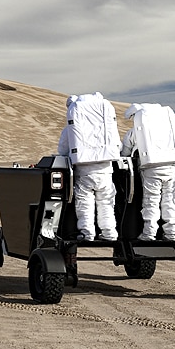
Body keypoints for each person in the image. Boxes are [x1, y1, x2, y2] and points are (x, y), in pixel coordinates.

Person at [58, 92, 121, 241]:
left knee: (85, 204)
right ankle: (109, 232)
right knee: (106, 203)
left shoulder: (72, 128)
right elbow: (118, 145)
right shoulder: (106, 124)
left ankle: (87, 234)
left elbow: (62, 149)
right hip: (106, 171)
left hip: (85, 171)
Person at [121, 103, 175, 241]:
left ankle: (149, 234)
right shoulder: (166, 132)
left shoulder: (135, 132)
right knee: (169, 201)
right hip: (170, 168)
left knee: (151, 202)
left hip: (151, 170)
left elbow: (125, 153)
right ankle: (171, 233)